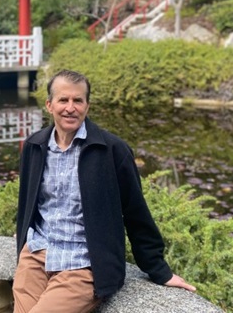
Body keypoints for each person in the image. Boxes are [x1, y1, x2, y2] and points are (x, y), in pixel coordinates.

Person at [13, 69, 196, 313]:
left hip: (83, 264)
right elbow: (28, 201)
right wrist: (22, 234)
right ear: (49, 105)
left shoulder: (112, 150)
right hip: (36, 254)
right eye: (63, 100)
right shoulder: (35, 146)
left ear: (87, 105)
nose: (70, 107)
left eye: (78, 100)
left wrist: (158, 270)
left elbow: (135, 211)